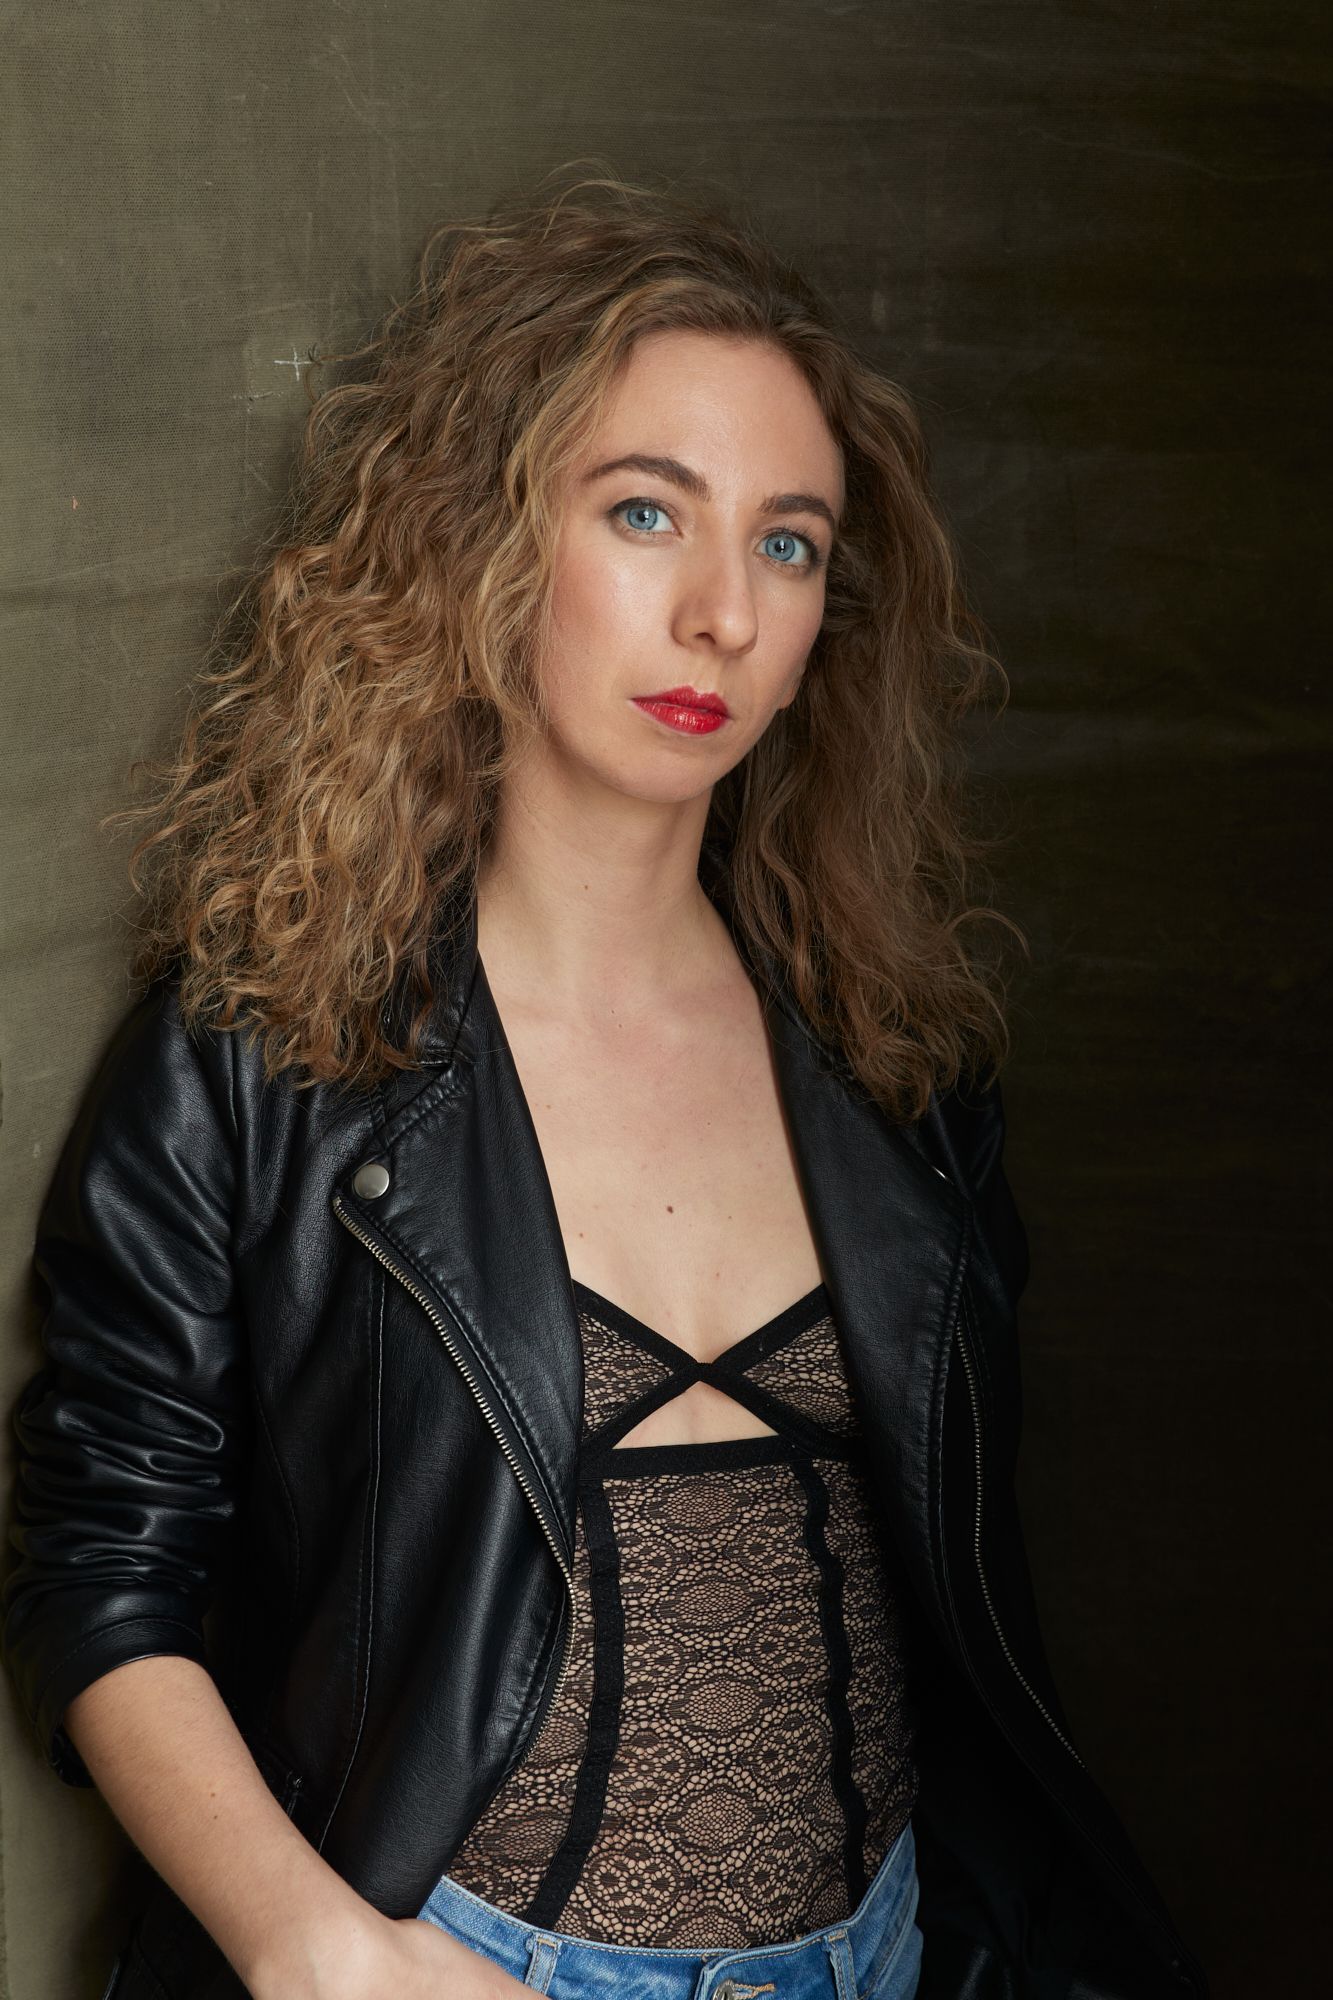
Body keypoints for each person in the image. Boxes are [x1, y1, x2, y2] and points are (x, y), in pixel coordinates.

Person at [1, 166, 1206, 2000]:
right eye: (647, 512)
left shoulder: (894, 1050)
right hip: (462, 1968)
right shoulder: (263, 1052)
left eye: (787, 544)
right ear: (487, 543)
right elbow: (98, 1559)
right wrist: (313, 1948)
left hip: (888, 1953)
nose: (723, 612)